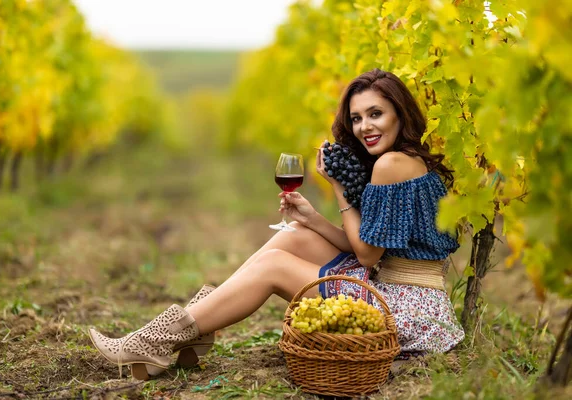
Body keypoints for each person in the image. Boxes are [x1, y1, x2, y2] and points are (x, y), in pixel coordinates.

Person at [88, 68, 465, 380]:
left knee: (273, 266)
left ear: (400, 113)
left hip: (408, 310)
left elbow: (367, 256)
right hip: (399, 290)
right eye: (356, 117)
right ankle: (190, 331)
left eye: (375, 114)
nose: (364, 126)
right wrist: (313, 219)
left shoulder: (391, 166)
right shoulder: (406, 160)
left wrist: (338, 190)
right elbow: (370, 247)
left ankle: (160, 339)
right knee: (295, 234)